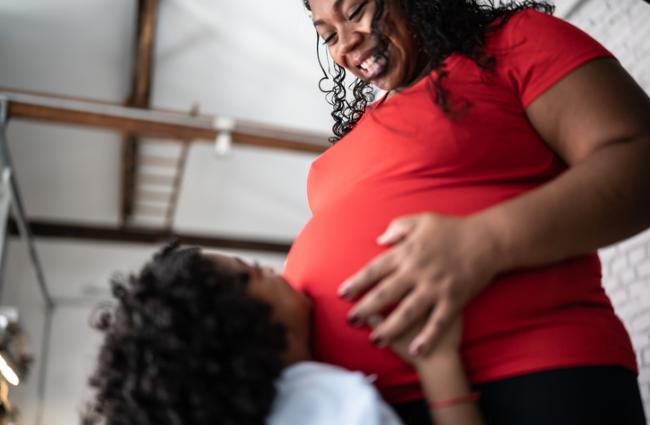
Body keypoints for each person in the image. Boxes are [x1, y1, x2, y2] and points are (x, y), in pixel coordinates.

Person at [284, 0, 650, 424]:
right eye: (327, 34)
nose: (347, 42)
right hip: (374, 405)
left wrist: (481, 241)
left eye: (358, 11)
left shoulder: (511, 42)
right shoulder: (350, 143)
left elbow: (638, 156)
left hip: (533, 372)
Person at [86, 243, 484, 425]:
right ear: (241, 321)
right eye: (256, 270)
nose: (275, 271)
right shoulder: (334, 410)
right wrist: (439, 364)